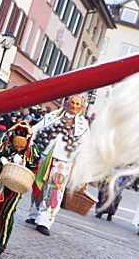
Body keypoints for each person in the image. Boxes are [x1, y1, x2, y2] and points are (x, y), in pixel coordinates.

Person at [25, 94, 91, 236]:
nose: (74, 106)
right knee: (38, 185)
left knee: (54, 191)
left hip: (63, 162)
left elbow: (86, 146)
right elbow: (36, 129)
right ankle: (34, 214)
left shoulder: (82, 125)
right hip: (44, 156)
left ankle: (44, 221)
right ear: (66, 103)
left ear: (81, 107)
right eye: (72, 102)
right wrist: (29, 142)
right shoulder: (53, 116)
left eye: (77, 104)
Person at [0, 121, 39, 254]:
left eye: (21, 147)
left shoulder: (32, 149)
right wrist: (2, 157)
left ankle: (1, 242)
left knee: (8, 212)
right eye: (16, 145)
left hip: (17, 185)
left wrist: (23, 163)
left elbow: (34, 168)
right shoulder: (4, 142)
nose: (18, 148)